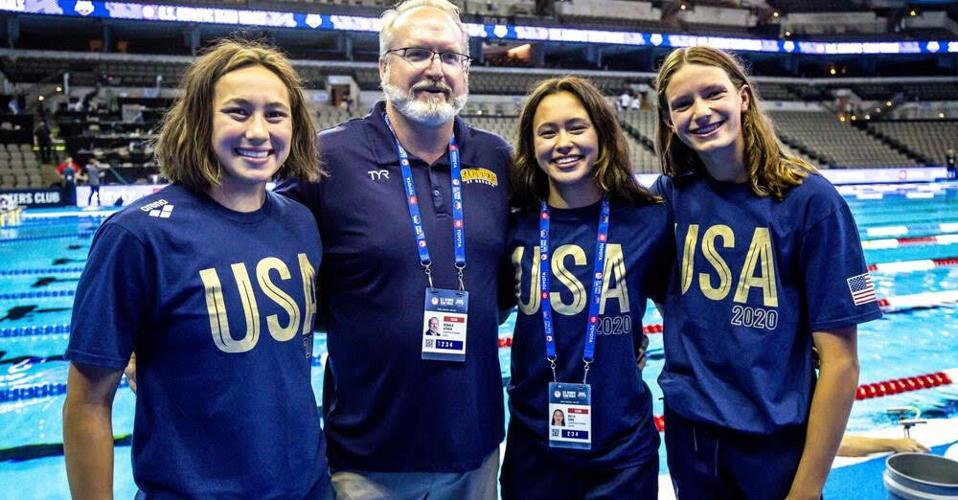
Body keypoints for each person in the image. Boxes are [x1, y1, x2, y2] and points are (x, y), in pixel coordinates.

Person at [62, 39, 329, 498]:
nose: (259, 132)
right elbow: (87, 403)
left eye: (275, 114)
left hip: (307, 487)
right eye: (238, 111)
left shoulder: (300, 223)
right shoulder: (138, 236)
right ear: (201, 120)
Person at [275, 1, 512, 498]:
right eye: (417, 53)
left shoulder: (496, 158)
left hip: (476, 451)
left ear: (466, 72)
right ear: (384, 67)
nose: (435, 69)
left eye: (450, 57)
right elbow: (247, 230)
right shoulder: (327, 158)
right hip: (366, 459)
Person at [651, 45, 882, 499]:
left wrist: (808, 489)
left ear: (743, 98)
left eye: (713, 94)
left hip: (773, 445)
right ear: (668, 121)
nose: (700, 112)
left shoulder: (811, 203)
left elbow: (840, 363)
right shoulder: (671, 197)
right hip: (690, 437)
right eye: (683, 103)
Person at [501, 76, 670, 499]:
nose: (563, 143)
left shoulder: (647, 220)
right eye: (547, 132)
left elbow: (688, 315)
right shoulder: (513, 226)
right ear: (531, 144)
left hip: (622, 452)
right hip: (534, 450)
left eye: (576, 128)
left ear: (601, 132)